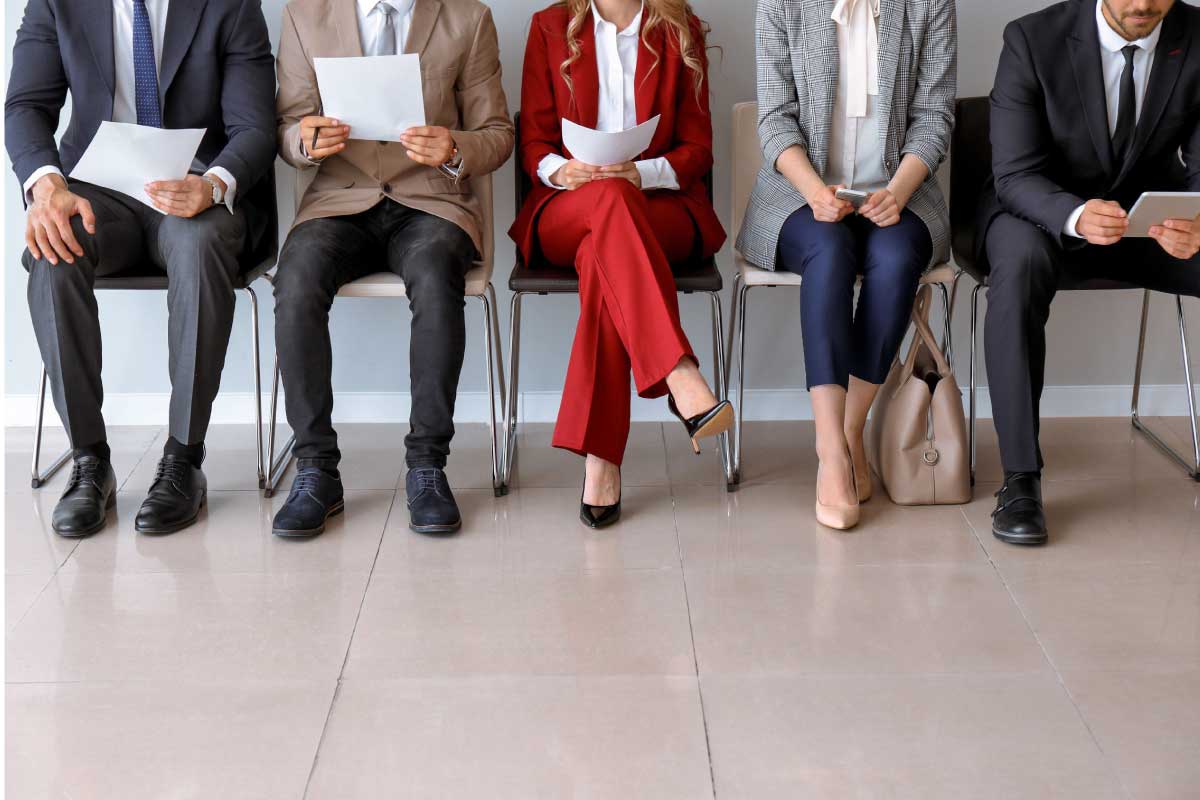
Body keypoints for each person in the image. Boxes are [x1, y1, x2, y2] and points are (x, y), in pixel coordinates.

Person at [6, 0, 277, 537]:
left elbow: (255, 126)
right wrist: (46, 183)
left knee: (199, 245)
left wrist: (214, 184)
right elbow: (25, 107)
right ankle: (89, 461)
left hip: (197, 190)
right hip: (99, 194)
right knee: (54, 248)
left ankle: (183, 458)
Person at [271, 0, 514, 537]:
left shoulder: (467, 19)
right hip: (339, 199)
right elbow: (288, 128)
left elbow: (497, 133)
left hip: (431, 203)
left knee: (434, 274)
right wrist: (305, 141)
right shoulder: (304, 15)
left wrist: (454, 147)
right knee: (296, 277)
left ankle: (427, 466)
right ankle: (315, 469)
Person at [981, 0, 1200, 546]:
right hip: (1042, 216)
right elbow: (1014, 174)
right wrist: (1075, 216)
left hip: (1147, 222)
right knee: (1019, 264)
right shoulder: (1031, 39)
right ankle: (1020, 481)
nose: (1144, 4)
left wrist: (1198, 217)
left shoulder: (1197, 38)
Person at [510, 0, 732, 530]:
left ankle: (602, 460)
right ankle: (678, 372)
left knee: (606, 251)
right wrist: (564, 172)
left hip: (661, 208)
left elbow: (698, 149)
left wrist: (641, 173)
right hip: (569, 207)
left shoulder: (682, 28)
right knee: (608, 207)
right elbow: (533, 141)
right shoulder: (548, 26)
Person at [738, 0, 956, 530]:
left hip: (899, 193)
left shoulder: (931, 5)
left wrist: (899, 192)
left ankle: (850, 431)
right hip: (798, 195)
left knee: (896, 255)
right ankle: (831, 452)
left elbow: (935, 116)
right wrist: (814, 192)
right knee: (830, 251)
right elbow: (774, 117)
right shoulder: (781, 4)